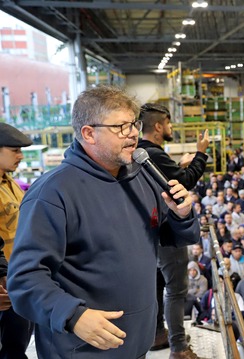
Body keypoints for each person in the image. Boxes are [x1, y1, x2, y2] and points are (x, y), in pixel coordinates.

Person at [7, 86, 200, 358]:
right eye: (121, 126)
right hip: (83, 349)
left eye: (134, 124)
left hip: (136, 342)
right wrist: (72, 315)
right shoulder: (53, 194)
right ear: (88, 133)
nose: (133, 133)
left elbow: (166, 237)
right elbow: (24, 279)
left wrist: (182, 217)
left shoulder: (143, 178)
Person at [138, 102, 209, 356]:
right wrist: (201, 154)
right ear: (158, 126)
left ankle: (158, 334)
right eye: (168, 123)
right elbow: (184, 182)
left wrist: (179, 165)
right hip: (167, 233)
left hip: (150, 234)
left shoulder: (140, 152)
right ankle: (179, 347)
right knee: (176, 290)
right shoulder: (154, 154)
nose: (170, 128)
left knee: (158, 286)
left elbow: (169, 178)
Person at [0, 123, 34, 358]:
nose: (21, 156)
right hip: (3, 284)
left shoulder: (9, 182)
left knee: (17, 346)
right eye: (14, 150)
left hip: (19, 278)